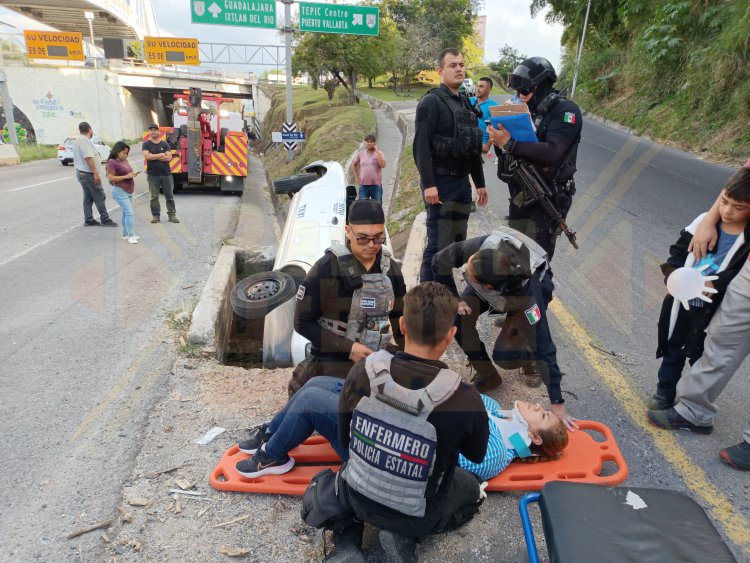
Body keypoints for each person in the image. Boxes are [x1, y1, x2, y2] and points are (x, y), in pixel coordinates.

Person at [325, 282, 489, 562]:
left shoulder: (363, 370)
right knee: (472, 488)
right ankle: (405, 536)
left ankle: (349, 542)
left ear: (402, 325)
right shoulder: (464, 396)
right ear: (451, 335)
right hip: (418, 515)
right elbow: (476, 454)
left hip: (357, 496)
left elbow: (344, 439)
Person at [648, 163, 750, 471]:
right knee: (703, 341)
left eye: (737, 207)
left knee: (702, 344)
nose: (728, 210)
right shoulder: (713, 218)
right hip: (696, 296)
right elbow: (741, 181)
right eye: (725, 204)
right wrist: (710, 218)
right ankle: (683, 404)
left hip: (720, 287)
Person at [432, 226, 578, 431]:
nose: (466, 266)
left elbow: (544, 343)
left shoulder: (529, 294)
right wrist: (454, 299)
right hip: (498, 282)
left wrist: (557, 401)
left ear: (489, 288)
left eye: (470, 272)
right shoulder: (481, 250)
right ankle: (488, 375)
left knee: (506, 356)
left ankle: (527, 359)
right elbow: (439, 260)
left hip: (524, 292)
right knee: (458, 318)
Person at [291, 199, 406, 394]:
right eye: (362, 238)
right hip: (335, 356)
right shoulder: (326, 269)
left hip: (376, 352)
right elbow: (302, 322)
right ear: (348, 231)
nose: (372, 245)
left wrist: (411, 357)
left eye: (378, 238)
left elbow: (400, 319)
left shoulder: (390, 268)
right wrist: (350, 348)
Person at [487, 57, 582, 260]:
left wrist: (511, 143)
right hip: (521, 193)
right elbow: (513, 150)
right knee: (513, 256)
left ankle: (539, 291)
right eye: (518, 92)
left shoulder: (566, 111)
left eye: (525, 91)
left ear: (541, 86)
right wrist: (500, 138)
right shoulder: (524, 110)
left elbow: (553, 151)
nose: (520, 96)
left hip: (548, 196)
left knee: (537, 262)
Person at [414, 47, 488, 283]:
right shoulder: (430, 102)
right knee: (438, 244)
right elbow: (421, 147)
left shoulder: (466, 104)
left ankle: (437, 289)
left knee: (455, 244)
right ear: (440, 70)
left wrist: (480, 183)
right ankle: (428, 297)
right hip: (441, 184)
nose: (459, 69)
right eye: (453, 65)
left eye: (462, 65)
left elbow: (472, 147)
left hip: (461, 185)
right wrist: (429, 184)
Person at [235, 377, 348, 478]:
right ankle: (272, 434)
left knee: (309, 400)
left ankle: (273, 455)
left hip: (361, 443)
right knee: (314, 382)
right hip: (364, 400)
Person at [459, 395, 568, 480]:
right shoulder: (492, 406)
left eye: (544, 415)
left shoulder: (494, 453)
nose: (539, 405)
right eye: (545, 410)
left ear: (536, 438)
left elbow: (448, 458)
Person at [73, 122, 117, 227]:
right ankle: (105, 219)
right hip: (88, 174)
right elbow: (88, 158)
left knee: (88, 197)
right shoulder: (84, 140)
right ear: (90, 130)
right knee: (99, 196)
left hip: (82, 173)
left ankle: (88, 219)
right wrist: (96, 174)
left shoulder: (79, 140)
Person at [142, 123, 179, 224]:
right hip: (152, 175)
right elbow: (147, 156)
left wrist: (153, 155)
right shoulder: (146, 144)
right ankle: (155, 216)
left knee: (169, 196)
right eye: (151, 130)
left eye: (155, 130)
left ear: (159, 132)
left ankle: (172, 215)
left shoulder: (165, 144)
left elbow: (169, 157)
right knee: (154, 197)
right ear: (149, 132)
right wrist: (161, 154)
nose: (153, 132)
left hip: (166, 174)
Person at [106, 141, 139, 244]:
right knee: (130, 213)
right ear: (117, 151)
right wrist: (126, 176)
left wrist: (132, 174)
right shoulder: (112, 162)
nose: (125, 155)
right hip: (119, 191)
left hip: (129, 189)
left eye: (127, 153)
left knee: (126, 213)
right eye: (124, 153)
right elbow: (110, 177)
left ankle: (125, 234)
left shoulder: (124, 160)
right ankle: (131, 236)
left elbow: (127, 172)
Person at [352, 134, 386, 203]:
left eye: (371, 142)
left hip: (376, 186)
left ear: (374, 143)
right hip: (363, 186)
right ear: (365, 142)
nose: (369, 143)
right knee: (362, 208)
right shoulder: (360, 153)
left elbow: (383, 165)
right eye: (367, 141)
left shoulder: (379, 153)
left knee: (377, 208)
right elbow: (354, 165)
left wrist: (377, 151)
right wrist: (356, 177)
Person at [469, 76, 499, 156]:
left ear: (488, 89)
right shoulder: (468, 101)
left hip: (481, 145)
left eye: (481, 86)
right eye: (477, 86)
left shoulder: (494, 106)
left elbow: (495, 128)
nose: (477, 88)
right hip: (466, 142)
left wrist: (488, 145)